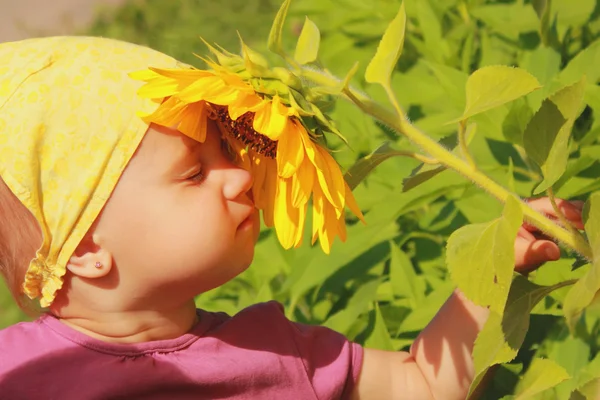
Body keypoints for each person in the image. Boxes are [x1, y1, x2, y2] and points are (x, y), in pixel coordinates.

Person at [0, 36, 585, 400]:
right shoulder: (19, 377)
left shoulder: (275, 352)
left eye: (227, 153)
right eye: (194, 173)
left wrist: (492, 267)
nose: (240, 176)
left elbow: (421, 385)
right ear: (82, 249)